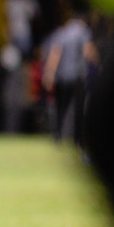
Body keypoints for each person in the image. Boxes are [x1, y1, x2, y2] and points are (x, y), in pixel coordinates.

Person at [41, 11, 98, 146]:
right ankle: (77, 139)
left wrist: (49, 73)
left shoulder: (61, 33)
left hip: (62, 77)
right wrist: (98, 61)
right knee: (78, 109)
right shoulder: (83, 32)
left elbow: (55, 54)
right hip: (78, 77)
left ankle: (57, 136)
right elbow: (87, 51)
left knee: (60, 107)